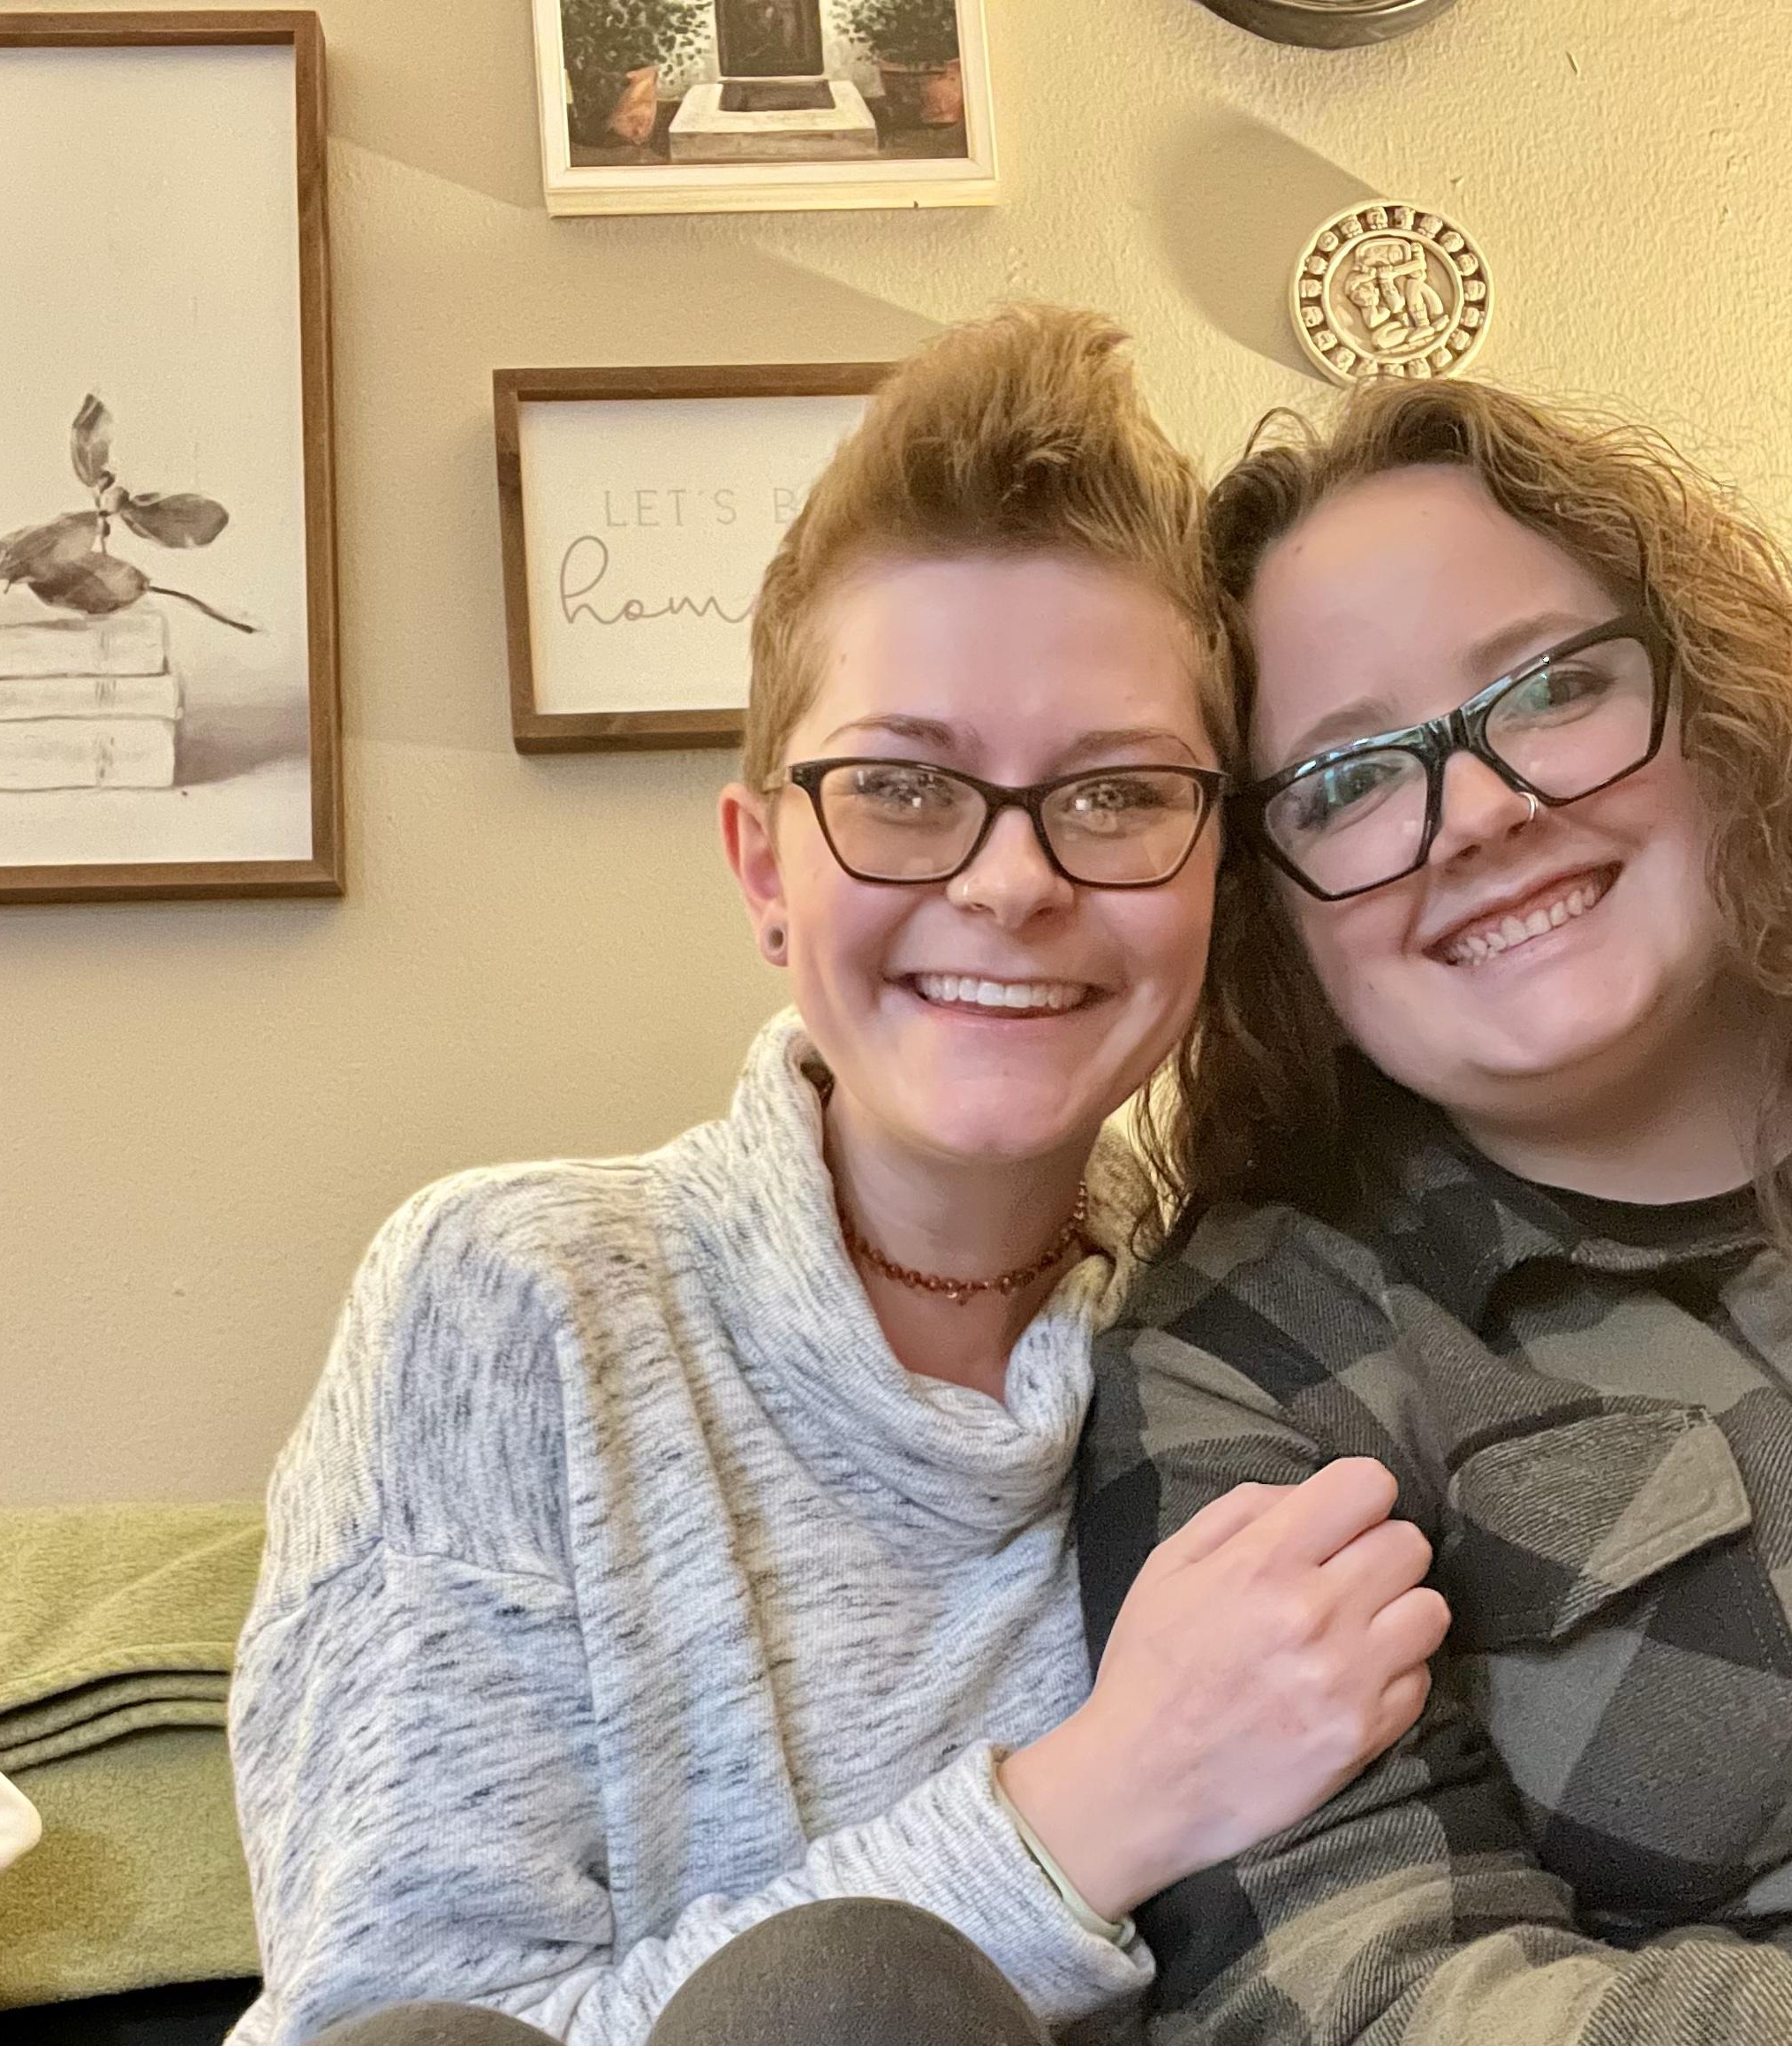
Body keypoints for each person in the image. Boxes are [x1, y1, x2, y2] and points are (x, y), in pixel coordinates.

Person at [225, 308, 1448, 2046]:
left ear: (1214, 879)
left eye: (1114, 795)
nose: (1012, 882)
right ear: (765, 873)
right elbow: (407, 2023)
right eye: (900, 786)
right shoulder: (515, 1300)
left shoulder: (1262, 1359)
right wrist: (1092, 1802)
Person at [1078, 375, 1792, 2044]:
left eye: (1553, 686)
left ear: (1720, 710)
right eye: (1349, 780)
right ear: (1269, 909)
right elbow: (1357, 1989)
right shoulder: (1256, 1362)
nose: (1483, 809)